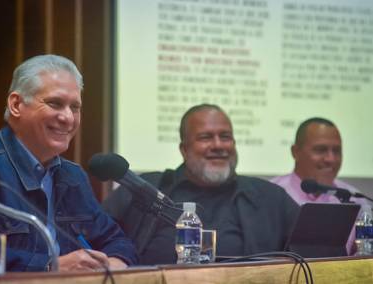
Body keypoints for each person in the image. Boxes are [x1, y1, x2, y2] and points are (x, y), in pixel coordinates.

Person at [0, 55, 137, 272]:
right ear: (16, 104)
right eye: (55, 103)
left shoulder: (72, 176)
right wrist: (49, 267)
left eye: (75, 107)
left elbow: (117, 241)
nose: (68, 118)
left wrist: (113, 264)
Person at [103, 104, 299, 265]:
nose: (218, 145)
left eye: (225, 137)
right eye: (205, 137)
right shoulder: (143, 191)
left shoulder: (270, 198)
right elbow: (98, 241)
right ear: (184, 149)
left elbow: (309, 255)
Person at [270, 117, 368, 254]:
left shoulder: (357, 200)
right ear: (295, 152)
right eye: (321, 150)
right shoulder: (270, 194)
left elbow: (366, 255)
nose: (331, 159)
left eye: (337, 151)